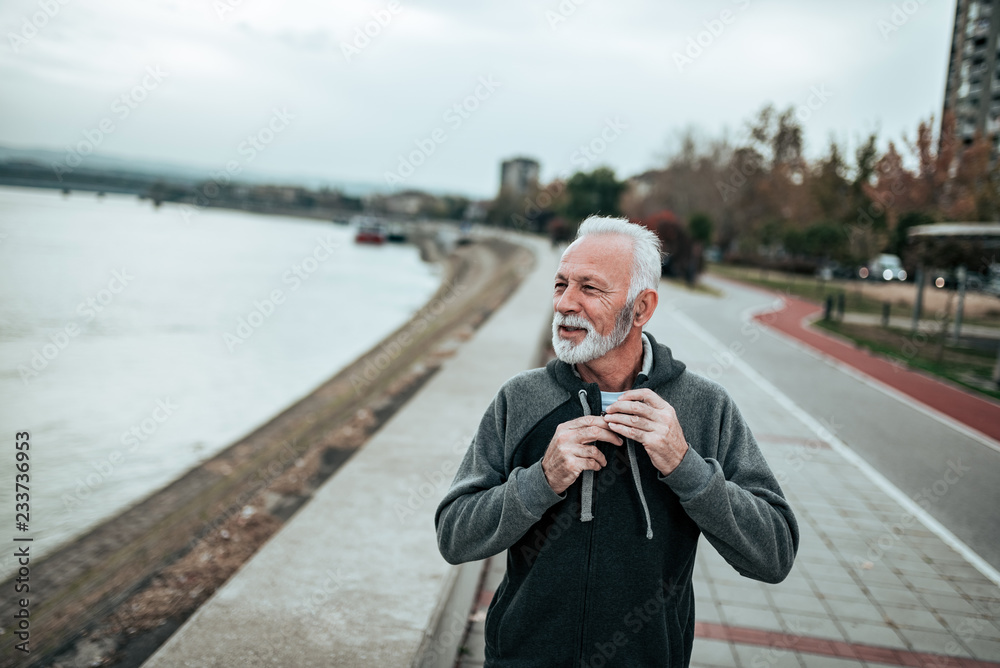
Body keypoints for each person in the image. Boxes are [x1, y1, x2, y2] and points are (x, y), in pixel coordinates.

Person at [434, 215, 798, 667]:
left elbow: (774, 553)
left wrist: (686, 468)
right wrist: (541, 481)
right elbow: (454, 537)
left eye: (590, 288)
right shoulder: (521, 399)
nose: (566, 303)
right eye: (561, 284)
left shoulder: (705, 407)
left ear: (641, 308)